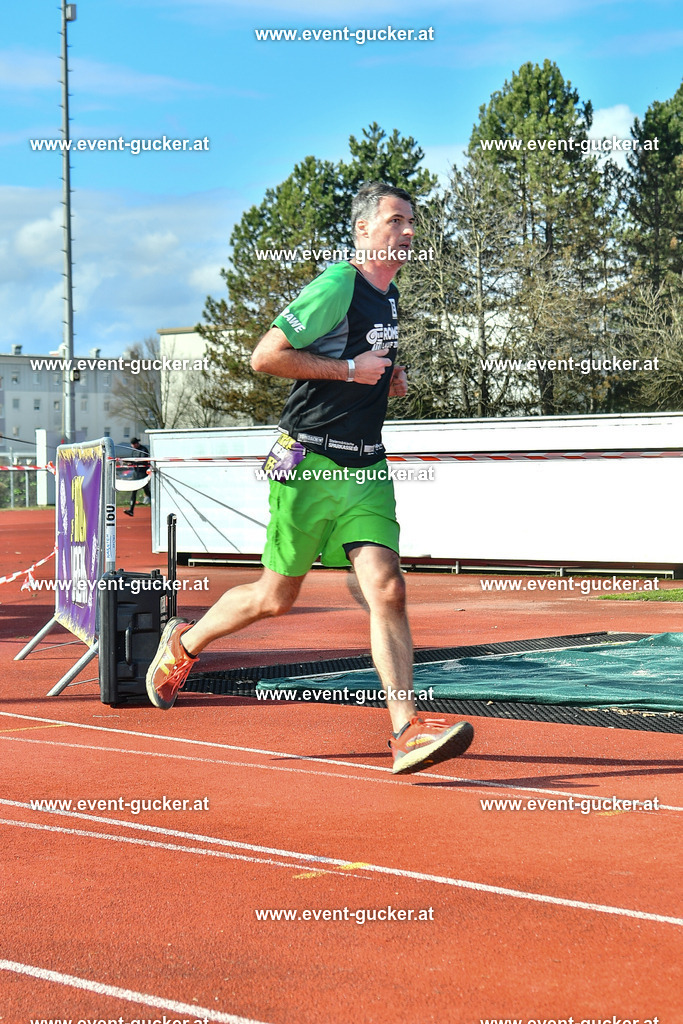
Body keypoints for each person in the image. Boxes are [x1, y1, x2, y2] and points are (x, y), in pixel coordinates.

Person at [146, 182, 473, 775]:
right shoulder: (337, 285)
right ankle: (184, 643)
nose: (408, 232)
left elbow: (366, 360)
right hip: (310, 463)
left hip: (366, 466)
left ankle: (405, 731)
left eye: (412, 222)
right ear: (363, 229)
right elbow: (265, 356)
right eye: (395, 220)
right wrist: (351, 370)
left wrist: (387, 376)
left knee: (388, 588)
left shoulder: (389, 295)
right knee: (276, 597)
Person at [123, 437, 151, 517]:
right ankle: (131, 510)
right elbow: (134, 460)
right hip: (136, 474)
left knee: (147, 491)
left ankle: (155, 505)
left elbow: (143, 460)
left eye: (133, 444)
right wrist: (129, 463)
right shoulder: (134, 451)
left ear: (136, 444)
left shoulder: (143, 449)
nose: (132, 446)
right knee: (134, 491)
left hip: (143, 474)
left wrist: (133, 461)